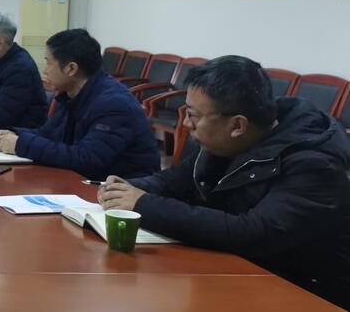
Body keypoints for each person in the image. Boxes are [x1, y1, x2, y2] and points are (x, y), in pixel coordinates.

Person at [99, 56, 350, 308]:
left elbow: (253, 233)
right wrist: (126, 189)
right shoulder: (229, 139)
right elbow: (174, 180)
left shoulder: (316, 165)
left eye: (193, 115)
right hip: (236, 271)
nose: (186, 123)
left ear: (237, 125)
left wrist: (142, 204)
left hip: (302, 293)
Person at [0, 29, 159, 180]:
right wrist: (13, 133)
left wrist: (20, 144)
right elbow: (48, 134)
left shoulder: (114, 104)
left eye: (49, 63)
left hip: (123, 192)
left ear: (71, 68)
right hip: (88, 181)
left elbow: (87, 159)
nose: (45, 70)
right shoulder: (72, 94)